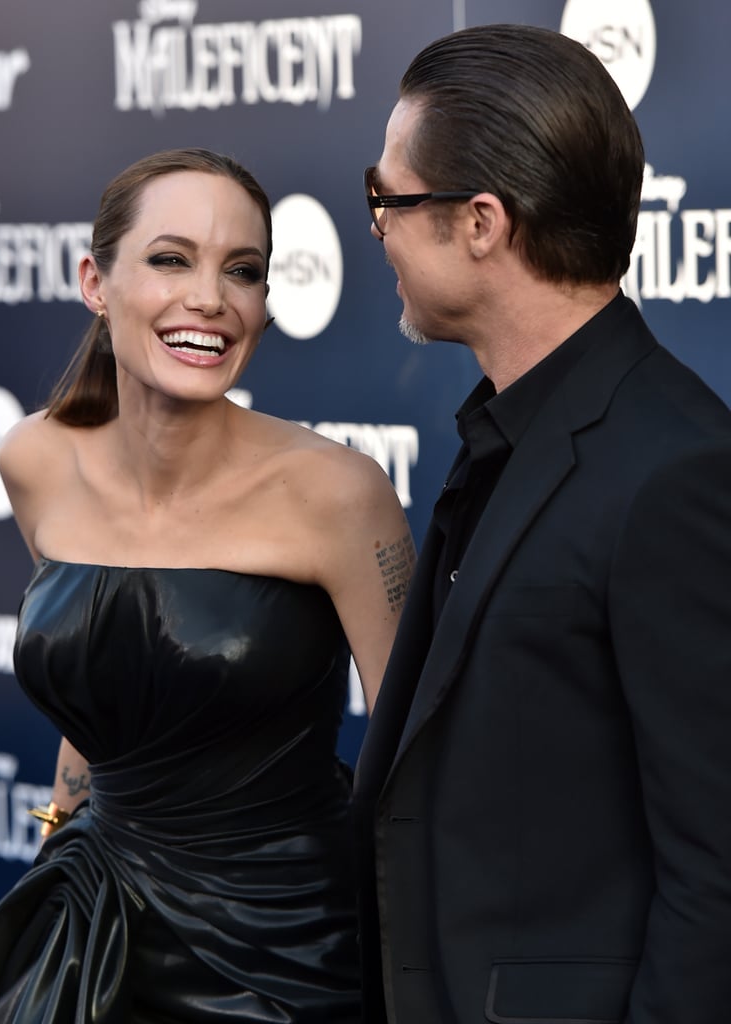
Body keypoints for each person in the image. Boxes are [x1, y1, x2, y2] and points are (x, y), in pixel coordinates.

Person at [0, 148, 415, 1024]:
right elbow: (106, 693)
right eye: (172, 259)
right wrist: (60, 838)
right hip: (90, 934)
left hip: (286, 955)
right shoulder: (36, 460)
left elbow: (416, 763)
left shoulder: (337, 493)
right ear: (96, 281)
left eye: (241, 271)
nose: (210, 297)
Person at [353, 23, 731, 1024]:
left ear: (481, 222)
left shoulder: (676, 470)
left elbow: (718, 875)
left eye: (387, 199)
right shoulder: (513, 429)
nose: (378, 227)